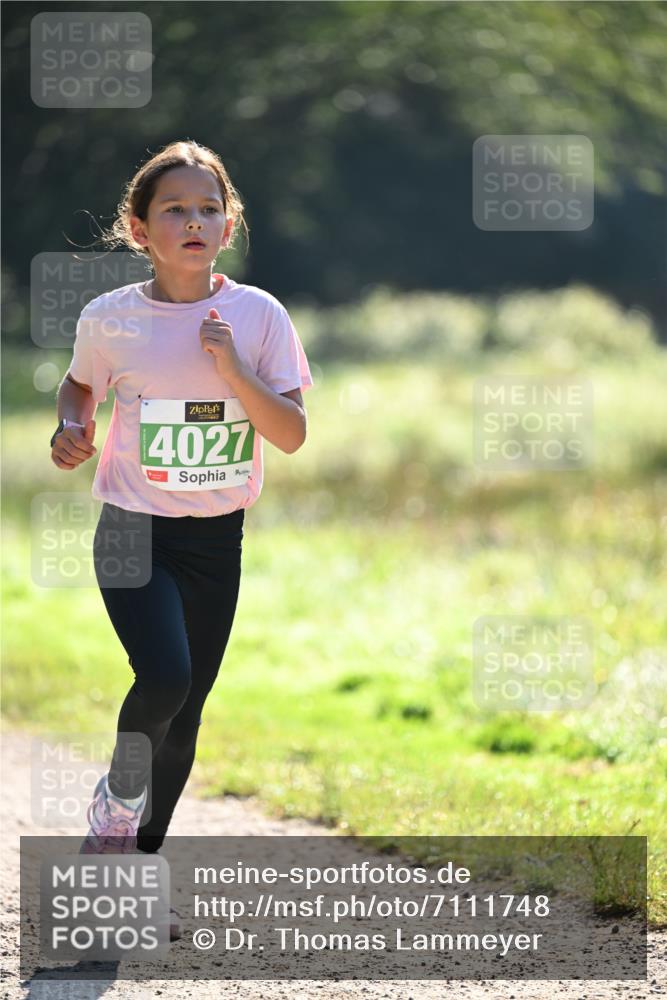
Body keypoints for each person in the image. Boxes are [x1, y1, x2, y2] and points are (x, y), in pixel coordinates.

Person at [50, 140, 314, 940]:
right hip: (132, 530)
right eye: (174, 209)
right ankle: (112, 808)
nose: (192, 220)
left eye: (207, 208)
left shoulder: (259, 316)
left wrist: (234, 370)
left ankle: (133, 870)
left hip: (215, 540)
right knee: (162, 675)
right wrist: (72, 424)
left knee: (188, 713)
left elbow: (292, 433)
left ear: (227, 224)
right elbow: (80, 382)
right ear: (139, 229)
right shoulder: (110, 318)